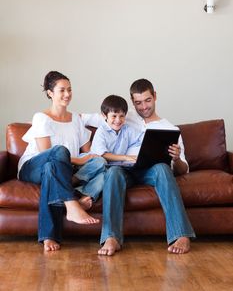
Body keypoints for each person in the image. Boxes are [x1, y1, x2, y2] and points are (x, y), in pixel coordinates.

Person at [82, 78, 196, 256]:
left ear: (155, 96)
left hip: (151, 171)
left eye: (147, 100)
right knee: (112, 172)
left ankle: (181, 234)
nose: (143, 107)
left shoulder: (169, 128)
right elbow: (86, 117)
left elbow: (183, 169)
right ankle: (111, 237)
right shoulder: (124, 117)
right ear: (132, 102)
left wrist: (176, 158)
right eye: (138, 103)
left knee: (163, 168)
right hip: (124, 169)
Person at [18, 71, 106, 252]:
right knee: (58, 153)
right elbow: (47, 154)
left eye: (70, 90)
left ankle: (49, 236)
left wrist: (92, 158)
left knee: (101, 164)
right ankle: (71, 203)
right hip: (33, 166)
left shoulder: (76, 120)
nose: (67, 94)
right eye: (62, 90)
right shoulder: (41, 118)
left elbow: (88, 153)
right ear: (50, 93)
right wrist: (80, 161)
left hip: (59, 170)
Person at [90, 94, 142, 164]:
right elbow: (103, 154)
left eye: (121, 116)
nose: (118, 120)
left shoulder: (127, 130)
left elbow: (142, 138)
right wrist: (126, 157)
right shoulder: (101, 131)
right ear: (104, 115)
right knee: (103, 164)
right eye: (114, 116)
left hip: (117, 167)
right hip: (98, 165)